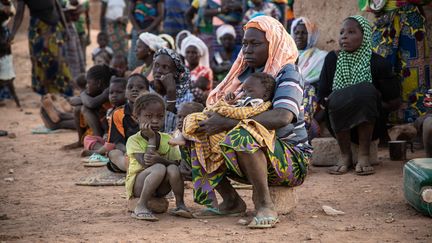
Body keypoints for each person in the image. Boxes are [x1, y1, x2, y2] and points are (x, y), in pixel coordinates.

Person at [191, 16, 311, 228]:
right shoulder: (244, 74)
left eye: (255, 44)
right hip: (249, 159)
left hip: (290, 159)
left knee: (245, 132)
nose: (247, 49)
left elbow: (283, 116)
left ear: (273, 44)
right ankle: (230, 201)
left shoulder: (287, 72)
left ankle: (265, 204)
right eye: (245, 43)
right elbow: (220, 111)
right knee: (195, 129)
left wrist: (227, 122)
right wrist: (211, 121)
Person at [318, 16, 401, 176]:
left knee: (365, 91)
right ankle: (345, 155)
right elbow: (323, 96)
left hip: (371, 124)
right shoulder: (332, 60)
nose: (344, 36)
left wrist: (368, 99)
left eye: (351, 32)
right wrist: (344, 100)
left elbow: (394, 102)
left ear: (365, 36)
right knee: (336, 96)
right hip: (338, 124)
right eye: (342, 32)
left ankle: (364, 155)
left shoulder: (378, 63)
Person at [170, 73, 276, 192]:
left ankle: (188, 137)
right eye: (243, 90)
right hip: (227, 130)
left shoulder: (259, 105)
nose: (244, 94)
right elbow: (221, 110)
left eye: (249, 91)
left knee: (199, 120)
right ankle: (185, 136)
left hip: (246, 141)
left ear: (265, 95)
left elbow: (240, 114)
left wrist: (223, 109)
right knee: (194, 119)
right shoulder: (244, 102)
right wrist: (227, 103)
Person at [361, 0, 431, 124]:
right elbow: (363, 4)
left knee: (415, 71)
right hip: (383, 18)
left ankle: (418, 120)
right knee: (381, 67)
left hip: (412, 19)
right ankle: (382, 120)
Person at [126, 93, 192, 221]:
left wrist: (161, 160)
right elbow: (147, 163)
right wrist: (151, 138)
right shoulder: (133, 140)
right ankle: (141, 205)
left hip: (160, 188)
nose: (155, 120)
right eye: (148, 116)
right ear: (136, 118)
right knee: (159, 168)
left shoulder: (167, 139)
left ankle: (180, 205)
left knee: (172, 168)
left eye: (160, 116)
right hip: (139, 187)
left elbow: (177, 164)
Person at [10, 0, 73, 96]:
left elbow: (58, 8)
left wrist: (66, 28)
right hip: (38, 29)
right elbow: (19, 14)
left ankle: (64, 92)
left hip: (55, 28)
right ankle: (45, 95)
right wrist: (13, 33)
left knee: (60, 61)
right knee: (40, 62)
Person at [291, 17, 328, 140]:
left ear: (311, 35)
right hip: (290, 95)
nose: (299, 36)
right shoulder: (287, 56)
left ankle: (304, 127)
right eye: (296, 32)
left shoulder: (321, 57)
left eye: (304, 33)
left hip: (311, 97)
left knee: (308, 88)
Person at [107, 74, 150, 173]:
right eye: (130, 87)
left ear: (148, 91)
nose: (134, 90)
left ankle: (140, 167)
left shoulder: (153, 111)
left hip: (149, 150)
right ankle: (130, 167)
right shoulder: (118, 113)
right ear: (125, 93)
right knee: (114, 153)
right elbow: (118, 142)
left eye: (140, 87)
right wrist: (130, 151)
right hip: (127, 152)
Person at [64, 65, 113, 149]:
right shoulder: (96, 91)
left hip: (110, 129)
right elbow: (73, 101)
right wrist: (83, 97)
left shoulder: (108, 91)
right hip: (104, 125)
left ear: (99, 83)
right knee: (78, 109)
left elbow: (91, 103)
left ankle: (99, 140)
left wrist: (83, 93)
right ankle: (80, 141)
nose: (87, 85)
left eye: (88, 82)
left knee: (85, 108)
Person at [81, 77, 127, 158]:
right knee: (88, 139)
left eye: (118, 92)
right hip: (109, 141)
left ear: (127, 93)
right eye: (111, 93)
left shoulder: (126, 111)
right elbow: (107, 128)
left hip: (121, 141)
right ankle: (103, 151)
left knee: (117, 145)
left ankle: (101, 151)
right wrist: (106, 134)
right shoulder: (109, 111)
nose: (114, 95)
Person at [151, 48, 194, 133]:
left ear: (175, 73)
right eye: (156, 65)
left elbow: (174, 130)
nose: (158, 70)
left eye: (165, 67)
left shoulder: (187, 98)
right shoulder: (150, 90)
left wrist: (171, 92)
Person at [127, 0, 164, 70]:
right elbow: (130, 13)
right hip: (137, 30)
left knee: (152, 57)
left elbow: (160, 15)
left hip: (152, 31)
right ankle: (135, 76)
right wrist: (138, 30)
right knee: (134, 60)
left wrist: (147, 30)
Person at [0, 0, 19, 107]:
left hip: (3, 33)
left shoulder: (8, 4)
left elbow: (11, 13)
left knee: (5, 66)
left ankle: (4, 95)